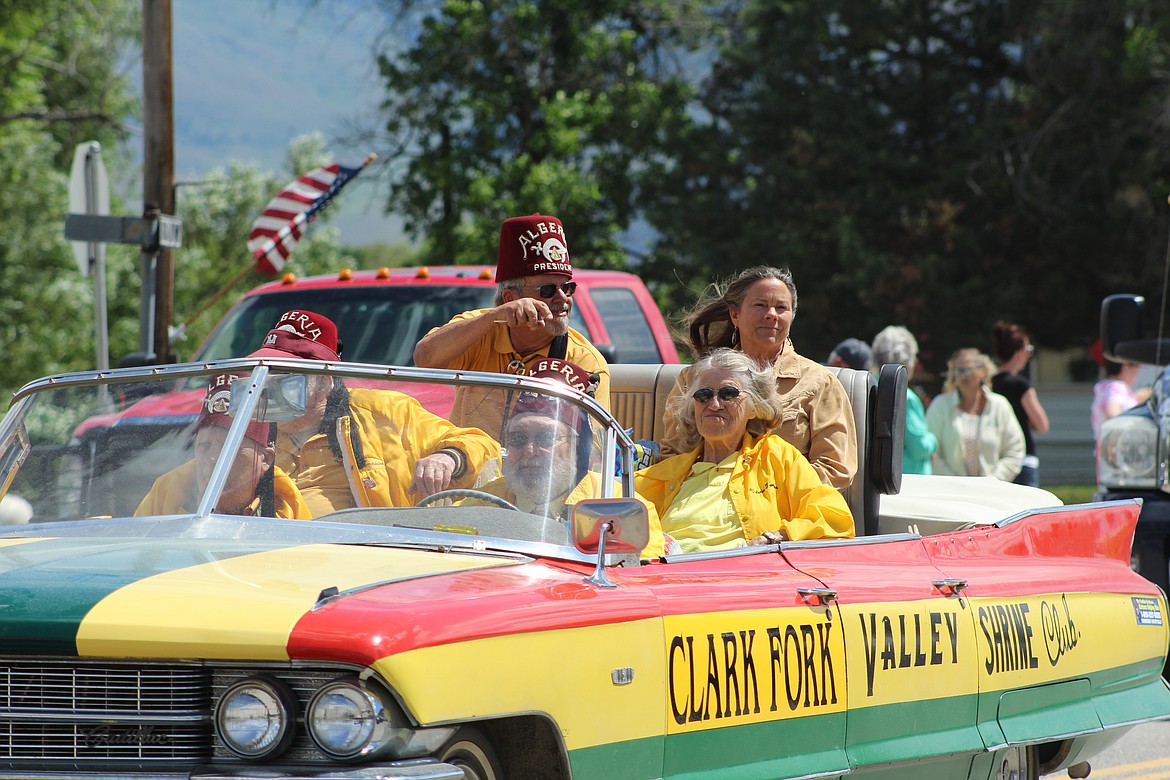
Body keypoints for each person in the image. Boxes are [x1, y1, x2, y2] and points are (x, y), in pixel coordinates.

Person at [250, 310, 500, 515]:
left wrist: (447, 458)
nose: (269, 386)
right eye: (265, 372)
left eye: (284, 376)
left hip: (366, 560)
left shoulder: (385, 411)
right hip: (266, 556)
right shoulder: (249, 429)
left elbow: (482, 444)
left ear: (324, 381)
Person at [636, 349, 853, 554]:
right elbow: (617, 514)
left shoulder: (778, 458)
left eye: (728, 394)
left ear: (754, 407)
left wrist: (779, 537)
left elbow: (835, 518)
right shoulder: (665, 475)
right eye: (703, 395)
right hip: (668, 578)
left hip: (742, 580)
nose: (714, 404)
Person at [413, 213, 611, 436]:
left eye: (567, 288)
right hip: (467, 466)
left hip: (540, 470)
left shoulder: (585, 361)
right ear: (510, 298)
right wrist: (493, 317)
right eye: (547, 290)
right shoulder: (479, 328)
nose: (563, 298)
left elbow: (591, 454)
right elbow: (424, 358)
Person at [661, 266, 857, 490]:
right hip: (703, 503)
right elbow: (672, 455)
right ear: (735, 315)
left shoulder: (819, 382)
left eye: (781, 308)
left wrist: (763, 491)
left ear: (791, 317)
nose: (771, 314)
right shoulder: (694, 378)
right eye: (760, 305)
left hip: (781, 512)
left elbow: (835, 468)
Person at [467, 359, 665, 557]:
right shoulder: (484, 502)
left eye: (547, 437)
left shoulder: (622, 508)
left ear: (576, 446)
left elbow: (637, 576)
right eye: (517, 438)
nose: (529, 451)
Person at [136, 371, 311, 519]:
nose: (212, 459)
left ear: (264, 458)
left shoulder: (286, 505)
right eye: (204, 446)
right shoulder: (168, 492)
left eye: (228, 448)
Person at [925, 348, 1025, 481]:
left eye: (967, 369)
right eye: (957, 370)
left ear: (982, 371)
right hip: (951, 492)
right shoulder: (940, 405)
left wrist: (994, 482)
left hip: (993, 492)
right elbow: (931, 451)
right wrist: (956, 484)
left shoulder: (999, 406)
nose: (962, 376)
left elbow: (1015, 450)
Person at [871, 325, 937, 475]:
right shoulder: (905, 396)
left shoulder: (870, 386)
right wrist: (933, 440)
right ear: (909, 360)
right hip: (908, 481)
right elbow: (919, 447)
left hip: (876, 478)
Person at [990, 321, 1049, 487]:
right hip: (1022, 458)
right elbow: (1042, 425)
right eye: (1028, 350)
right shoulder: (1021, 385)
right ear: (1019, 352)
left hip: (997, 459)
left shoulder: (988, 383)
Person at [1092, 357, 1151, 441]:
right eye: (1137, 366)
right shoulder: (1117, 387)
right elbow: (1113, 413)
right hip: (1118, 448)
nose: (1137, 371)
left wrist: (1135, 398)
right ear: (1126, 366)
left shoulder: (1105, 386)